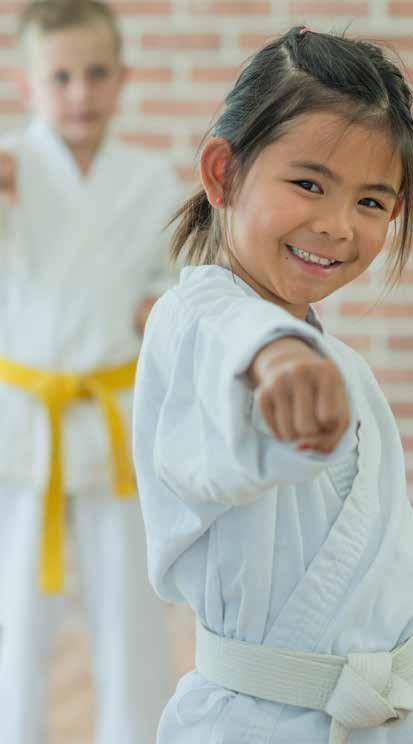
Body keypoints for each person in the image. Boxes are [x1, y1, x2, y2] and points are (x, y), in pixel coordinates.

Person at [132, 27, 413, 744]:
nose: (336, 225)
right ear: (223, 173)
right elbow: (239, 346)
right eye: (308, 184)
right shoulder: (198, 323)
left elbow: (331, 549)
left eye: (371, 201)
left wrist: (409, 599)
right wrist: (281, 362)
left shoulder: (342, 365)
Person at [0, 2, 180, 743]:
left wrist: (157, 306)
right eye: (61, 76)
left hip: (114, 414)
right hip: (22, 417)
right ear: (29, 84)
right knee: (15, 614)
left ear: (123, 78)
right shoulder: (11, 166)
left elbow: (174, 279)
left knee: (129, 610)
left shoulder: (150, 179)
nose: (80, 92)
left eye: (96, 73)